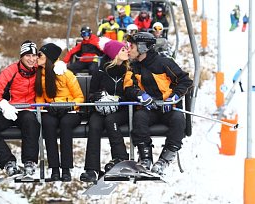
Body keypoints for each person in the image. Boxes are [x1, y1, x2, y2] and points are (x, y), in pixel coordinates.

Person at [124, 32, 193, 175]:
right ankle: (145, 158)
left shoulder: (164, 63)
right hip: (149, 109)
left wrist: (173, 97)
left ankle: (164, 160)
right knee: (140, 117)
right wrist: (140, 95)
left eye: (132, 46)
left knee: (179, 119)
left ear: (142, 48)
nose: (129, 49)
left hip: (167, 108)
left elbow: (185, 81)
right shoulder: (133, 67)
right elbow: (128, 87)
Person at [0, 40, 40, 176]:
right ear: (21, 57)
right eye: (27, 56)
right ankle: (8, 162)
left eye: (33, 56)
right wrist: (3, 105)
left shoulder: (39, 71)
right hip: (10, 110)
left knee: (31, 122)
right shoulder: (10, 71)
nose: (31, 59)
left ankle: (29, 162)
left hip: (27, 110)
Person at [80, 38, 130, 182]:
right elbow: (92, 94)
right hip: (102, 109)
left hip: (122, 109)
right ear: (114, 53)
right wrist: (100, 98)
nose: (126, 51)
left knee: (110, 120)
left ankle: (120, 158)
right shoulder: (100, 72)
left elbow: (131, 91)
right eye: (122, 49)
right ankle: (92, 169)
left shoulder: (128, 71)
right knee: (94, 125)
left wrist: (118, 100)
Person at [35, 43, 84, 182]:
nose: (37, 58)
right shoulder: (39, 76)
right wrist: (46, 107)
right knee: (48, 124)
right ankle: (54, 169)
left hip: (70, 111)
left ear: (49, 58)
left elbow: (80, 97)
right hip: (51, 110)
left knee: (65, 124)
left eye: (40, 55)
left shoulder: (66, 74)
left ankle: (66, 168)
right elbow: (39, 100)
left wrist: (68, 107)